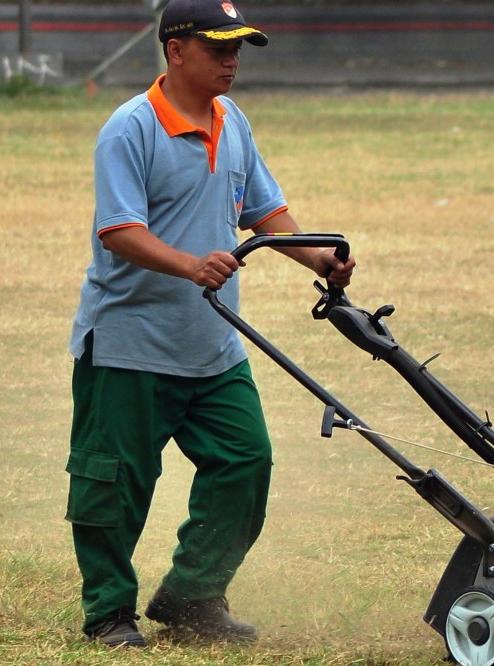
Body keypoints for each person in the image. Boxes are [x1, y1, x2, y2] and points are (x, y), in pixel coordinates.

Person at [65, 0, 355, 648]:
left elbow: (266, 211)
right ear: (175, 49)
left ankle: (193, 597)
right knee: (114, 484)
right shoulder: (130, 129)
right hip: (129, 345)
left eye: (239, 48)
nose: (232, 60)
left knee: (246, 462)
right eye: (219, 47)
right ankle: (109, 613)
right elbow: (119, 232)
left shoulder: (234, 122)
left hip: (213, 346)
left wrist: (318, 257)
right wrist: (192, 265)